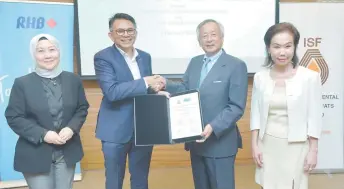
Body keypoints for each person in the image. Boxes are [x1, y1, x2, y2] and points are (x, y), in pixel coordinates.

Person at [158, 19, 248, 189]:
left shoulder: (236, 65)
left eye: (213, 34)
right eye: (204, 36)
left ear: (222, 37)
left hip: (220, 142)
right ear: (199, 41)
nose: (209, 39)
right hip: (196, 141)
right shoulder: (195, 62)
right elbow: (185, 89)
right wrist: (165, 83)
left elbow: (236, 107)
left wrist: (213, 126)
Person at [5, 33, 89, 189]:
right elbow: (14, 117)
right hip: (35, 152)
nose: (47, 55)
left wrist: (71, 128)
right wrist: (44, 134)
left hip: (67, 151)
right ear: (33, 54)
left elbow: (82, 108)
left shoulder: (73, 80)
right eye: (41, 51)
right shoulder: (22, 83)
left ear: (59, 51)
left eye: (52, 49)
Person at [94, 13, 164, 189]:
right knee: (114, 180)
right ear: (111, 35)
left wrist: (156, 91)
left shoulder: (145, 56)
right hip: (115, 131)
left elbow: (144, 89)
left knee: (141, 179)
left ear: (136, 32)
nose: (126, 34)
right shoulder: (103, 57)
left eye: (130, 30)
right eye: (120, 31)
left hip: (143, 129)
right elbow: (112, 92)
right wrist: (146, 82)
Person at [250, 22, 322, 189]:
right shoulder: (260, 77)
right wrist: (254, 145)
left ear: (294, 47)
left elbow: (314, 117)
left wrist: (313, 151)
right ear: (268, 48)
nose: (282, 52)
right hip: (267, 145)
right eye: (276, 46)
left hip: (297, 148)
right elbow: (255, 114)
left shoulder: (309, 77)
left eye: (288, 46)